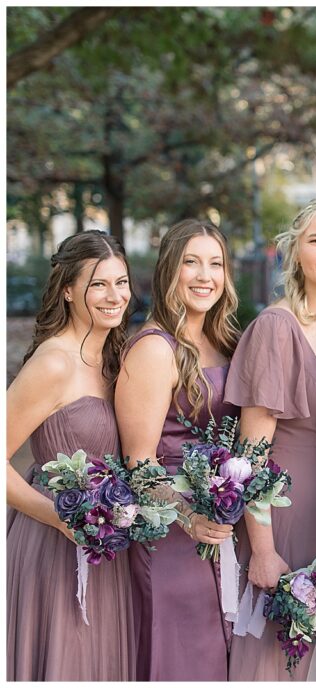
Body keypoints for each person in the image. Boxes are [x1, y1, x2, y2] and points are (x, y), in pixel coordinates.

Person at [225, 199, 316, 680]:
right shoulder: (276, 327)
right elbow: (250, 455)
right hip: (286, 513)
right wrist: (263, 548)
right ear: (296, 254)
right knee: (276, 653)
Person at [7, 231, 135, 680]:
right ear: (68, 290)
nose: (114, 296)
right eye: (98, 284)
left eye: (121, 282)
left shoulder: (115, 359)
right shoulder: (54, 362)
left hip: (108, 550)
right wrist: (59, 518)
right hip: (52, 543)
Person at [115, 219, 239, 680]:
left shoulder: (227, 342)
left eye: (215, 263)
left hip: (222, 524)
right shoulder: (153, 349)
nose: (204, 275)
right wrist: (188, 518)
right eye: (192, 262)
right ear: (171, 269)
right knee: (184, 658)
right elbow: (138, 461)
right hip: (170, 534)